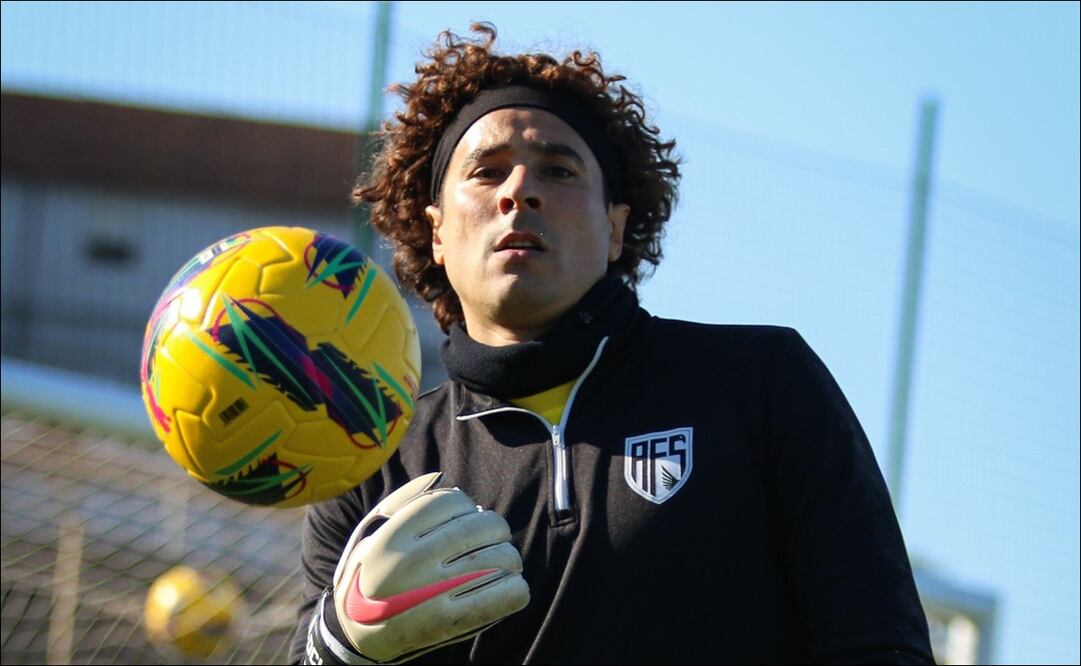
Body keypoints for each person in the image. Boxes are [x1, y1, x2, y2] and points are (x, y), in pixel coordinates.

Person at [291, 23, 934, 665]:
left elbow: (878, 641)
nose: (519, 192)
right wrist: (338, 646)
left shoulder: (760, 383)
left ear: (616, 227)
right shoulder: (373, 457)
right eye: (486, 172)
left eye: (558, 169)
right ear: (435, 232)